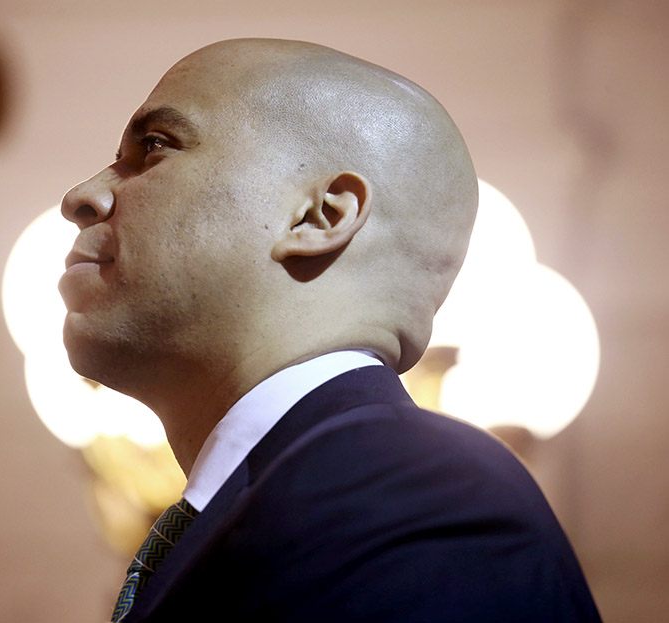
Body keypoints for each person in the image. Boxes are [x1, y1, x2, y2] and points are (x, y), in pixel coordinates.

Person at [58, 38, 601, 622]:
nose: (79, 197)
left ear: (321, 217)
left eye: (155, 146)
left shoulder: (415, 490)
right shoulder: (346, 489)